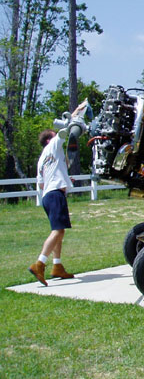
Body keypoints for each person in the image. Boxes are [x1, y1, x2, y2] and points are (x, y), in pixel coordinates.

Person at [28, 102, 87, 286]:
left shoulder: (42, 160)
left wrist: (66, 180)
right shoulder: (53, 145)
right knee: (58, 231)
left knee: (59, 231)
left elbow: (42, 182)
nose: (58, 139)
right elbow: (68, 129)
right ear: (48, 139)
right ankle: (40, 264)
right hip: (55, 194)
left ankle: (57, 266)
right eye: (54, 136)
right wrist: (79, 110)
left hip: (48, 195)